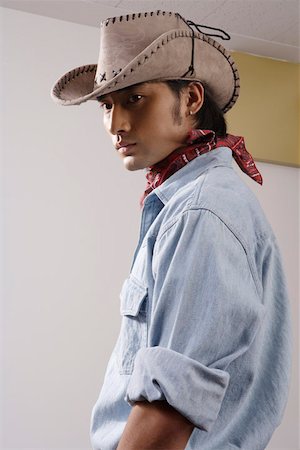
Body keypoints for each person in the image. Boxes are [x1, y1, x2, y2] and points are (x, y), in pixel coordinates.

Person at [51, 10, 292, 450]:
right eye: (107, 105)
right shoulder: (186, 202)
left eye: (135, 99)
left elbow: (169, 408)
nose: (115, 125)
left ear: (192, 98)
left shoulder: (201, 210)